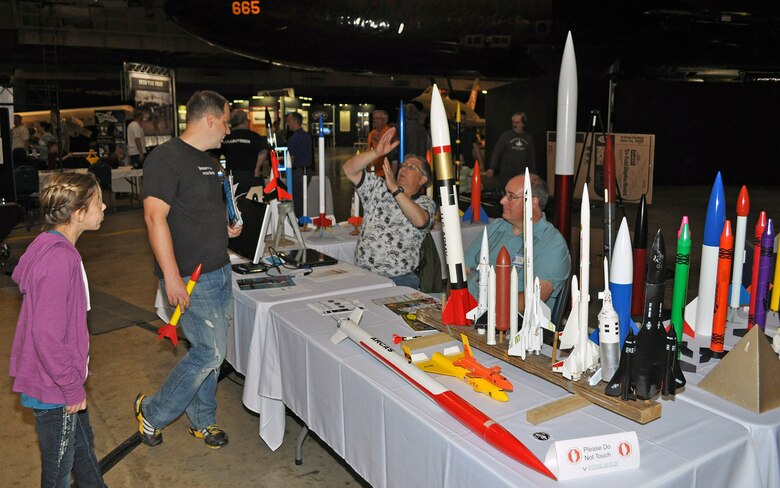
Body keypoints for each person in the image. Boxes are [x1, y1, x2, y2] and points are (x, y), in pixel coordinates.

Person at [136, 90, 242, 450]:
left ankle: (202, 420)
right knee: (210, 353)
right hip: (190, 278)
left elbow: (201, 211)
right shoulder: (166, 159)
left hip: (220, 270)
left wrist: (226, 227)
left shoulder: (211, 162)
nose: (228, 130)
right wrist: (170, 276)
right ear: (209, 119)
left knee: (211, 351)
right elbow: (155, 218)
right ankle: (152, 411)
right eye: (226, 122)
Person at [9, 172, 107, 488]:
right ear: (78, 214)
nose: (104, 207)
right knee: (57, 472)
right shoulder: (60, 260)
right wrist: (70, 386)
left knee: (82, 450)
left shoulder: (49, 242)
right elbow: (47, 335)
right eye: (98, 202)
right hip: (55, 389)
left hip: (60, 383)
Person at [343, 126, 436, 288]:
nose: (404, 168)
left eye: (411, 167)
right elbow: (349, 170)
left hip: (400, 279)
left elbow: (420, 221)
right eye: (404, 165)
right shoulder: (379, 189)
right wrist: (376, 153)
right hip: (364, 274)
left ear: (423, 179)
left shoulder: (424, 203)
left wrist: (395, 189)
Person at [464, 172, 570, 311]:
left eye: (511, 196)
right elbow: (464, 269)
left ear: (532, 202)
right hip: (467, 311)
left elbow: (531, 300)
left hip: (510, 325)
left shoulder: (551, 243)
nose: (502, 201)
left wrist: (487, 307)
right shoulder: (497, 227)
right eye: (505, 194)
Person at [220, 109, 269, 195]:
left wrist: (222, 170)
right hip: (251, 176)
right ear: (245, 122)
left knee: (233, 205)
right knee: (254, 206)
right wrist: (257, 169)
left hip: (232, 177)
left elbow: (212, 155)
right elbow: (263, 151)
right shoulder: (254, 136)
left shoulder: (226, 137)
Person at [486, 112, 536, 188]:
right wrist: (491, 168)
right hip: (507, 174)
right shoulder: (506, 136)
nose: (514, 124)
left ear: (523, 123)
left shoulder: (528, 138)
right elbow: (497, 152)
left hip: (521, 174)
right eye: (513, 122)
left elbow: (531, 157)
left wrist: (533, 173)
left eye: (517, 122)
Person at [284, 112, 312, 218]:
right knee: (302, 198)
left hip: (298, 172)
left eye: (289, 121)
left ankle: (299, 222)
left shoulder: (293, 139)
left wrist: (286, 173)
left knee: (297, 200)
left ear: (295, 121)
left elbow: (291, 159)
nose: (288, 124)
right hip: (307, 171)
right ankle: (302, 221)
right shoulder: (306, 136)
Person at [365, 109, 398, 177]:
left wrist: (378, 140)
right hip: (371, 172)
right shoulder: (371, 134)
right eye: (374, 119)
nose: (375, 121)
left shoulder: (391, 132)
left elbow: (393, 153)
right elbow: (367, 150)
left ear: (385, 120)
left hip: (385, 172)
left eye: (378, 118)